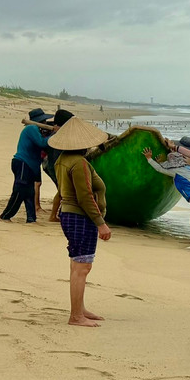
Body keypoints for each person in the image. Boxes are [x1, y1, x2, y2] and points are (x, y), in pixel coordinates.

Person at [51, 117, 112, 327]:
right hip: (80, 217)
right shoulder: (79, 163)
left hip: (71, 215)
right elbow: (84, 196)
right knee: (82, 266)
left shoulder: (62, 159)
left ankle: (80, 308)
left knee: (77, 264)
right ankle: (76, 316)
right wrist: (101, 223)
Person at [0, 108, 53, 223]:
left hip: (29, 166)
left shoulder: (36, 130)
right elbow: (42, 143)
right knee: (19, 191)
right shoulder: (31, 128)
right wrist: (55, 135)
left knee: (29, 193)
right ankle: (5, 216)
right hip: (23, 163)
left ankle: (31, 219)